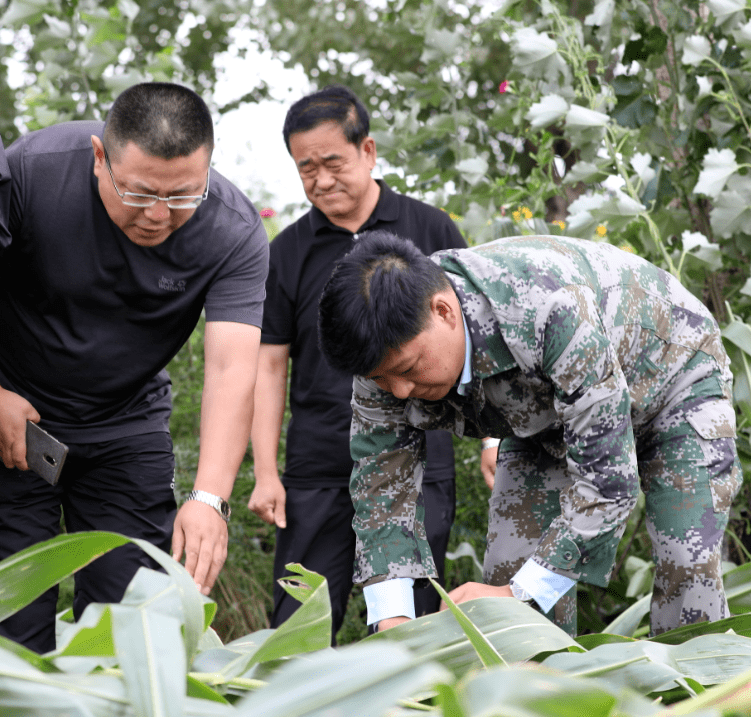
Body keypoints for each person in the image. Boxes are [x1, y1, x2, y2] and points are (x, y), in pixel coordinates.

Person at [318, 230, 742, 637]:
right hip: (551, 418)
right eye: (382, 379)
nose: (400, 391)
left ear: (444, 311)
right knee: (509, 588)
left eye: (409, 370)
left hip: (675, 383)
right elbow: (381, 493)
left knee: (688, 567)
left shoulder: (549, 308)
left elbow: (608, 481)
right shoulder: (382, 362)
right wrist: (394, 620)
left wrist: (519, 594)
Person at [0, 82, 269, 654]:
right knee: (13, 624)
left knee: (135, 624)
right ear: (100, 157)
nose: (158, 216)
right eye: (141, 192)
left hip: (126, 424)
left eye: (182, 197)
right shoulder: (29, 173)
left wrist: (210, 498)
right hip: (14, 420)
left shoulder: (234, 231)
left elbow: (231, 370)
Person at [247, 85, 468, 638]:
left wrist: (491, 440)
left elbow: (471, 333)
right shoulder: (287, 252)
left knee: (411, 622)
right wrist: (267, 472)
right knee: (300, 622)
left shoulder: (430, 230)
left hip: (419, 457)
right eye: (306, 169)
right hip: (318, 464)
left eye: (332, 163)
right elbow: (268, 366)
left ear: (367, 151)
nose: (321, 180)